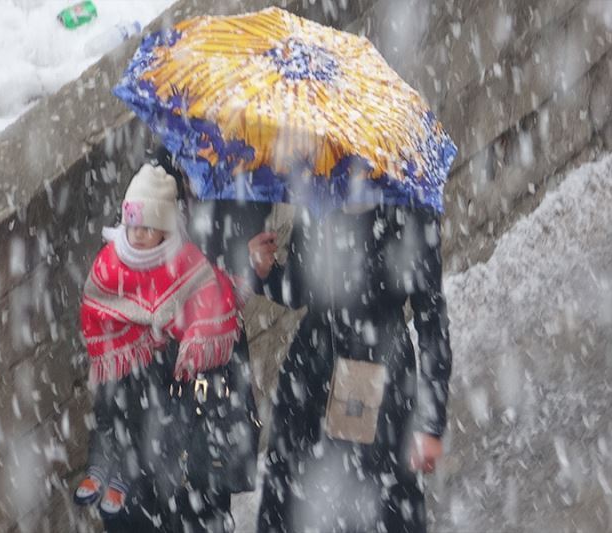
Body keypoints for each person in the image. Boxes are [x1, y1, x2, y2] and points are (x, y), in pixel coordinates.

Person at [251, 202, 452, 533]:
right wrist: (265, 272)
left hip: (376, 372)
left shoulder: (407, 205)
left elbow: (431, 319)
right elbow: (300, 288)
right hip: (310, 375)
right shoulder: (319, 199)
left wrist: (430, 421)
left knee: (372, 506)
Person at [74, 162, 243, 532]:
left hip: (178, 386)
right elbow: (99, 305)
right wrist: (136, 336)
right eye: (132, 224)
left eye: (147, 227)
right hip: (131, 374)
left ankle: (138, 478)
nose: (136, 234)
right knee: (114, 406)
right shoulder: (113, 261)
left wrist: (175, 337)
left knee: (172, 461)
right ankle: (112, 465)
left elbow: (209, 299)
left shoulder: (187, 263)